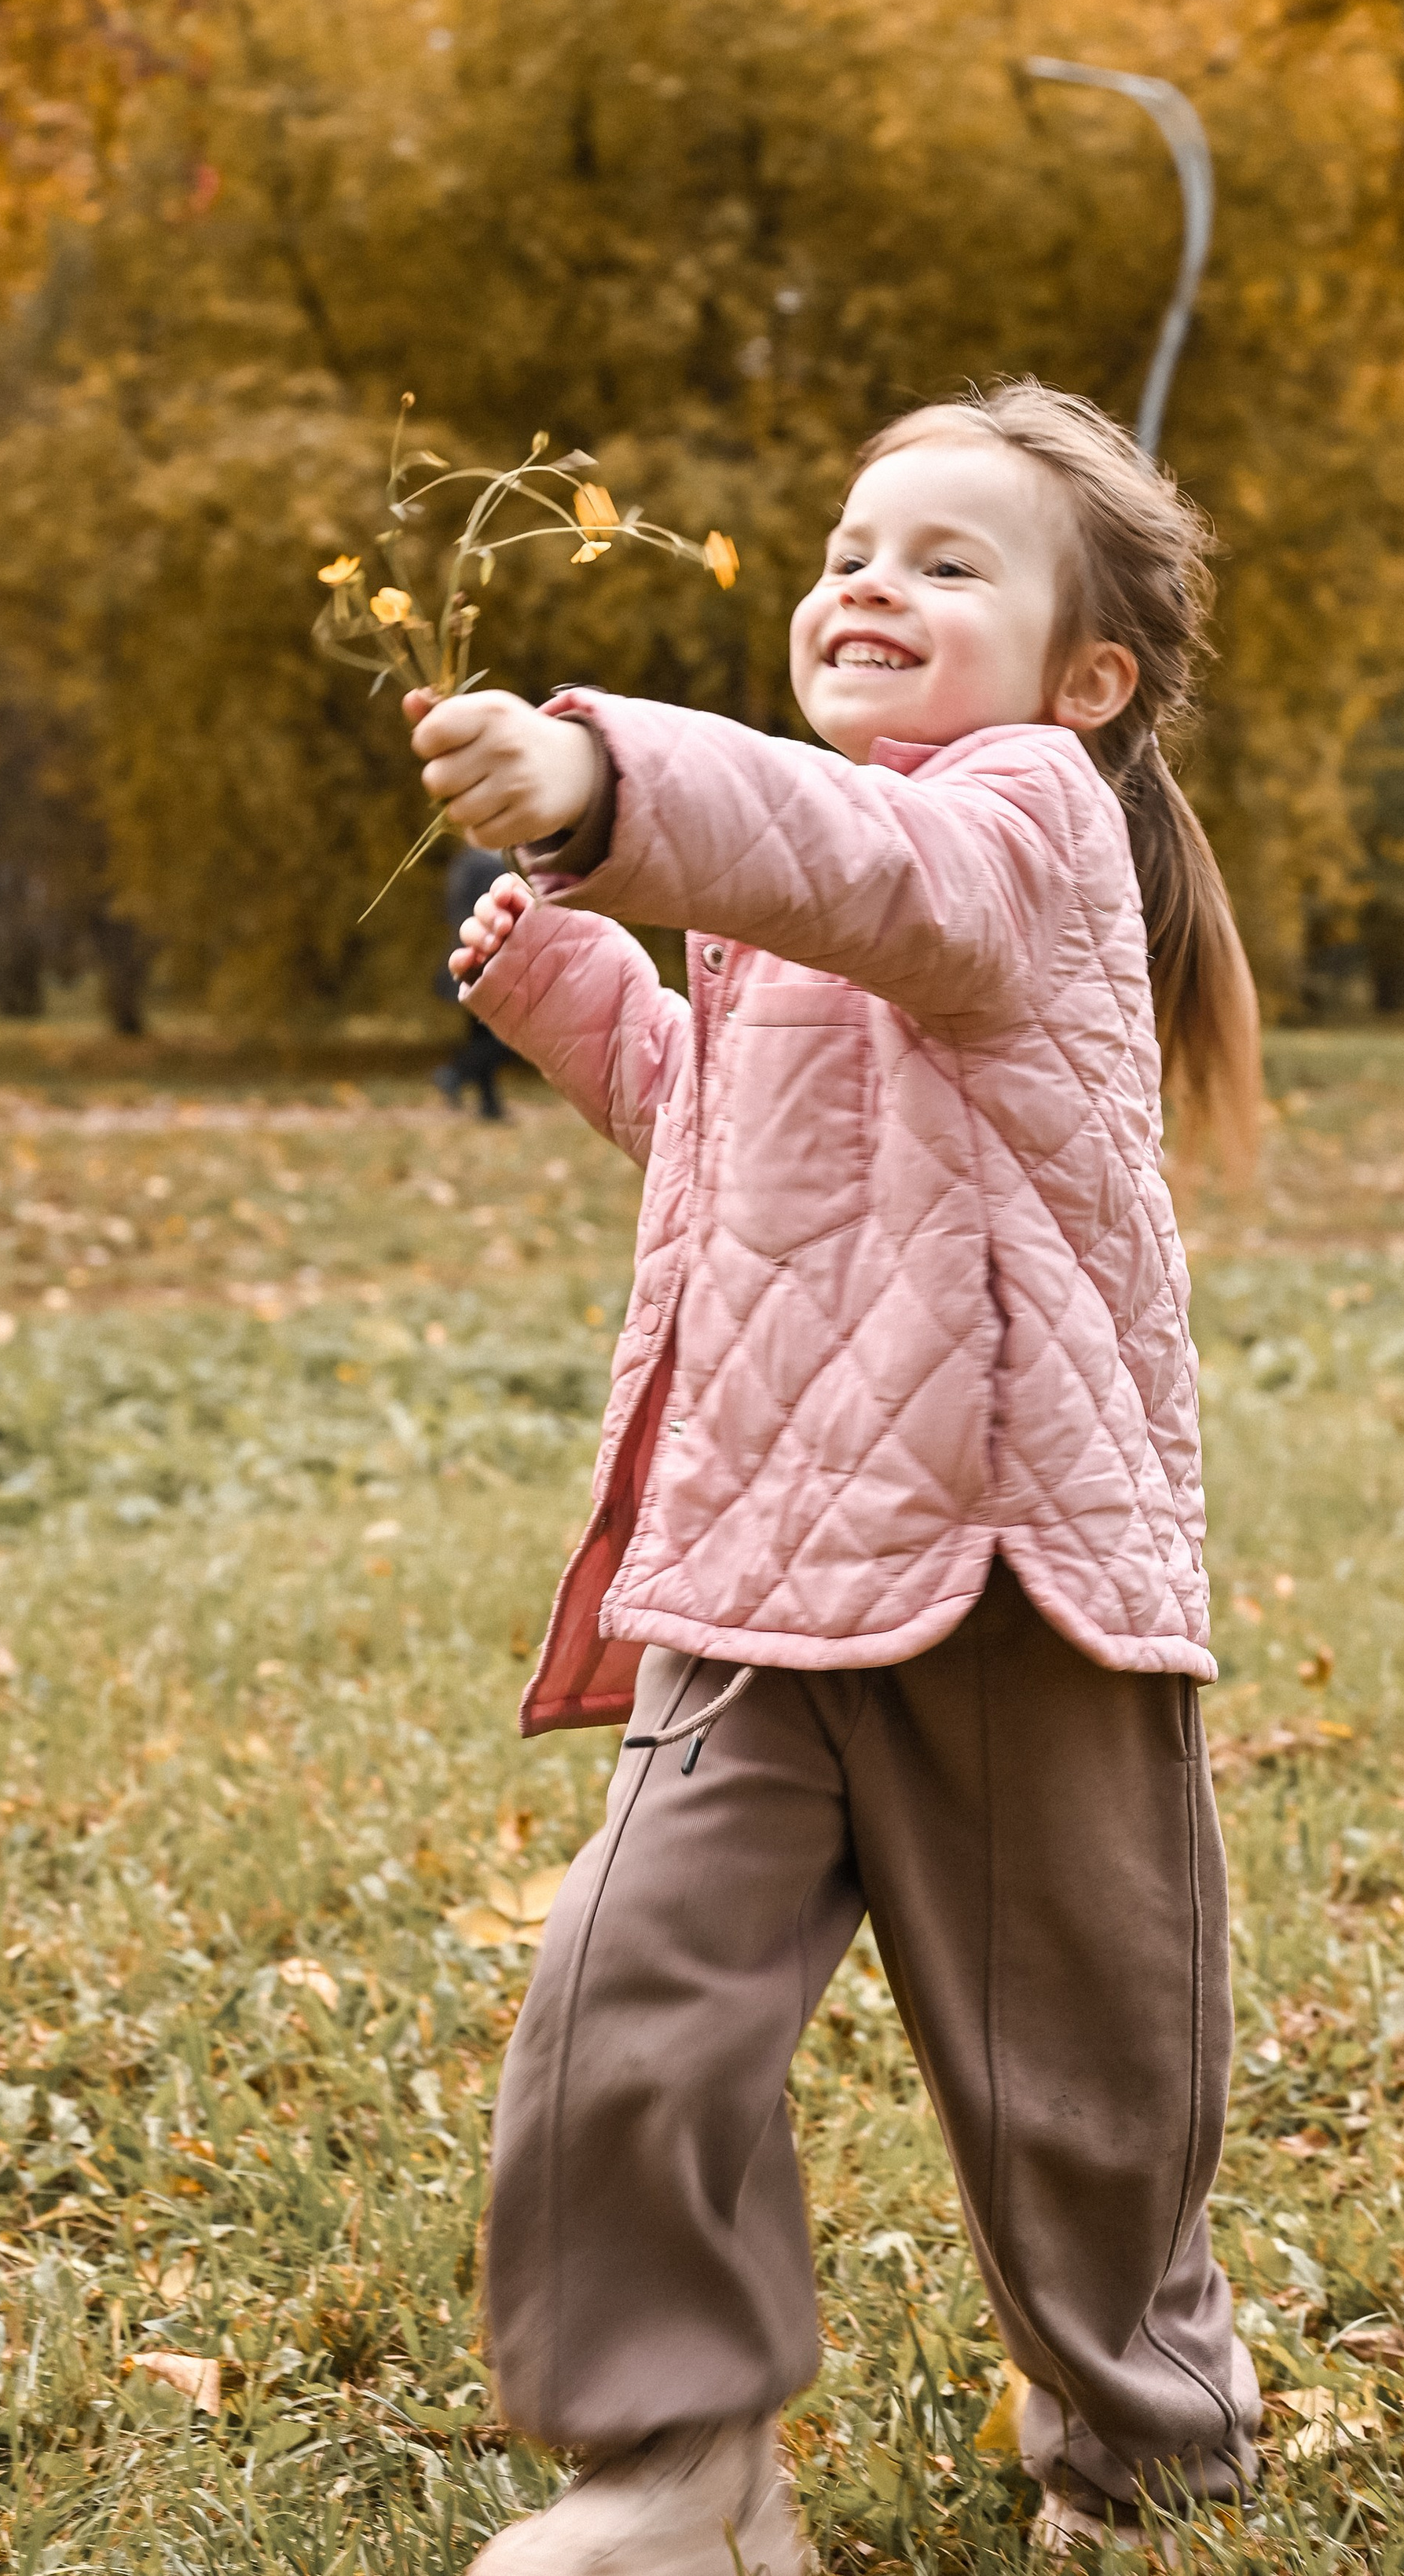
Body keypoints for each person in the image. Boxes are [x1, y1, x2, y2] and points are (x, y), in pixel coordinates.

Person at [404, 382, 1264, 2573]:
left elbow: (875, 874)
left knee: (1081, 2065)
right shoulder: (793, 856)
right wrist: (582, 978)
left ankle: (1144, 2445)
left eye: (946, 560)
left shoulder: (1022, 823)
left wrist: (613, 777)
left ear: (1092, 679)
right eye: (849, 543)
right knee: (624, 2002)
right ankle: (681, 2462)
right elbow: (744, 1132)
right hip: (761, 1558)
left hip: (1007, 1558)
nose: (868, 579)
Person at [435, 841, 511, 1119]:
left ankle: (490, 1106)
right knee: (503, 1038)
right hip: (485, 962)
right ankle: (454, 1074)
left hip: (464, 960)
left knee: (482, 1033)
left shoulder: (463, 863)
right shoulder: (489, 867)